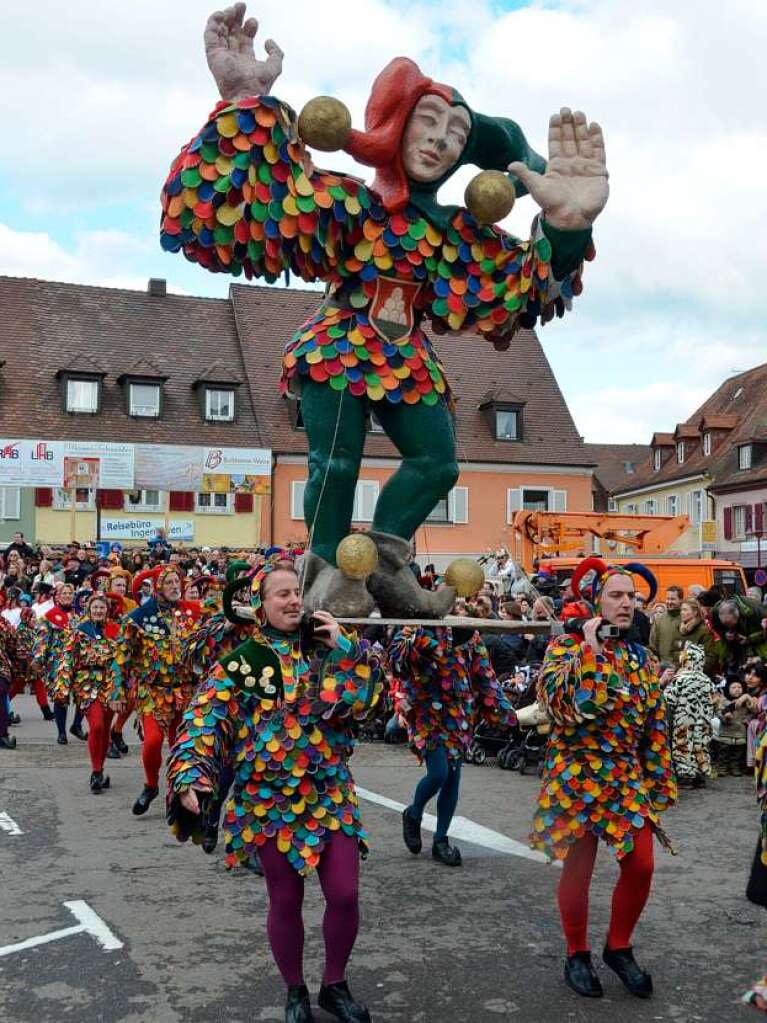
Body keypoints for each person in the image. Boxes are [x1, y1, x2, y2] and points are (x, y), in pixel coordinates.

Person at [162, 3, 606, 619]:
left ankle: (382, 563)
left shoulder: (457, 233)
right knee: (336, 462)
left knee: (438, 463)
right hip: (342, 343)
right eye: (428, 121)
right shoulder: (349, 205)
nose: (439, 139)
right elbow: (255, 198)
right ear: (395, 124)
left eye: (455, 134)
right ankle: (326, 575)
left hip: (407, 354)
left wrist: (564, 225)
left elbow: (522, 287)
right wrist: (243, 98)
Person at [166, 557, 383, 1023]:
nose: (293, 600)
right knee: (286, 900)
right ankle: (295, 992)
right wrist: (190, 775)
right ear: (260, 606)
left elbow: (364, 704)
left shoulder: (331, 649)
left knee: (344, 893)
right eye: (281, 594)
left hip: (330, 795)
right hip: (268, 802)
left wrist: (347, 651)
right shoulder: (240, 663)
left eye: (296, 593)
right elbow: (203, 718)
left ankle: (334, 984)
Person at [531, 557, 676, 1000]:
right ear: (596, 602)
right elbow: (567, 709)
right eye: (616, 595)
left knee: (643, 863)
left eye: (631, 596)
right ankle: (577, 953)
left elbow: (652, 723)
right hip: (576, 773)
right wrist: (591, 652)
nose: (626, 603)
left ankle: (619, 947)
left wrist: (657, 780)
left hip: (624, 777)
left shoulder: (642, 659)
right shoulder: (565, 651)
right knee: (580, 868)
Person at [390, 611, 517, 867]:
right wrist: (421, 640)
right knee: (438, 773)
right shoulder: (418, 627)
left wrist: (505, 712)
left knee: (453, 776)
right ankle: (414, 813)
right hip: (425, 710)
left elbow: (485, 675)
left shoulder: (471, 634)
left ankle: (440, 840)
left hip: (459, 713)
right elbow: (396, 661)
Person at [117, 566, 202, 816]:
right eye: (170, 583)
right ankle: (150, 785)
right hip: (153, 692)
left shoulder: (193, 612)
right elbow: (122, 655)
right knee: (153, 742)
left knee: (181, 746)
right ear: (158, 587)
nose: (176, 586)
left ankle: (176, 792)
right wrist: (117, 692)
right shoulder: (140, 616)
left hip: (185, 692)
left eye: (178, 582)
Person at [55, 593, 123, 793]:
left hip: (110, 684)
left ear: (107, 610)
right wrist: (63, 687)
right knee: (97, 726)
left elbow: (122, 660)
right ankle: (95, 772)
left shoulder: (115, 631)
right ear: (89, 610)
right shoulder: (79, 631)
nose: (99, 611)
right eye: (95, 608)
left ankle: (100, 770)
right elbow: (67, 658)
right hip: (87, 683)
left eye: (102, 608)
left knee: (105, 728)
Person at [30, 582, 87, 745]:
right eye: (64, 593)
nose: (67, 596)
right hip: (58, 662)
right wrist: (38, 658)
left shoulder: (79, 616)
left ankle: (76, 725)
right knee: (61, 697)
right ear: (57, 596)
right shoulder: (48, 616)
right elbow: (42, 640)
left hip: (79, 661)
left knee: (85, 694)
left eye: (70, 593)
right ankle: (61, 732)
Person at [663, 642, 715, 788]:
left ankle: (686, 775)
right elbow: (715, 699)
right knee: (701, 744)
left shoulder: (680, 679)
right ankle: (700, 774)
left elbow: (669, 699)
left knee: (684, 745)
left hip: (684, 720)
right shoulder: (707, 680)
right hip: (703, 721)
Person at [711, 595, 767, 669]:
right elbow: (716, 627)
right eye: (726, 625)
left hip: (758, 647)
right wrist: (724, 633)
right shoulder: (715, 611)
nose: (729, 627)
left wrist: (749, 639)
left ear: (738, 615)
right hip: (732, 648)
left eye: (731, 624)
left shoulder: (756, 609)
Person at [713, 678, 749, 776]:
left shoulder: (745, 702)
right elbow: (718, 712)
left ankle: (735, 767)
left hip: (740, 733)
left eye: (739, 687)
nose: (737, 689)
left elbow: (752, 712)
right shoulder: (723, 701)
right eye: (733, 687)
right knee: (723, 752)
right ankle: (722, 767)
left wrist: (748, 720)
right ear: (727, 689)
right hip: (726, 732)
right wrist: (725, 717)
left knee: (737, 754)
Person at [649, 584, 685, 666]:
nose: (669, 602)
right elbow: (653, 645)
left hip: (683, 667)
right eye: (667, 598)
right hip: (664, 668)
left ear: (681, 600)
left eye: (672, 599)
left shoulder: (686, 619)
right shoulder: (659, 620)